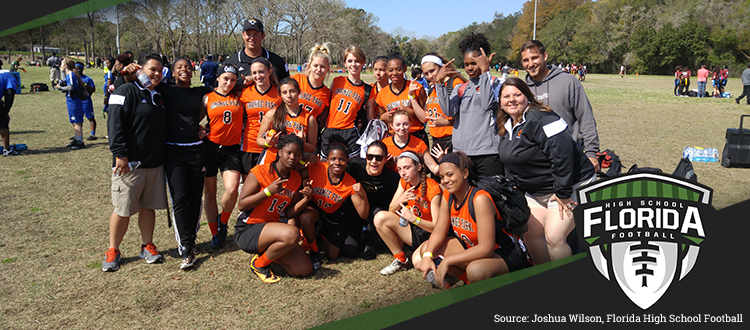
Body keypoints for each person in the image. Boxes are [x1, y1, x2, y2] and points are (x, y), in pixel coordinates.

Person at [496, 77, 596, 264]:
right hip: (537, 193)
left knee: (554, 237)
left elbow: (563, 154)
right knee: (529, 231)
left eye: (517, 95)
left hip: (571, 187)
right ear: (500, 102)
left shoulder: (542, 118)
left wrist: (563, 193)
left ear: (527, 97)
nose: (512, 99)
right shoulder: (505, 126)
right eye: (506, 96)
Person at [414, 152, 526, 288]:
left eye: (450, 174)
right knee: (428, 248)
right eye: (442, 177)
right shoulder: (448, 195)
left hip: (505, 252)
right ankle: (470, 284)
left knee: (476, 270)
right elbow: (439, 230)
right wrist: (427, 255)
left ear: (465, 173)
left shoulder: (479, 199)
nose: (445, 181)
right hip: (474, 248)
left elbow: (486, 248)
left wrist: (448, 261)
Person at [102, 52, 167, 272]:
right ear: (141, 69)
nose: (156, 74)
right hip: (130, 164)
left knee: (148, 206)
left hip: (154, 163)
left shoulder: (158, 95)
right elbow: (115, 123)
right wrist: (120, 154)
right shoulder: (125, 90)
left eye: (159, 70)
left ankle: (147, 245)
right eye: (152, 69)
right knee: (123, 208)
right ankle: (113, 249)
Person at [234, 134, 313, 283]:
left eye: (297, 155)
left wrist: (306, 199)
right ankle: (258, 264)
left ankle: (269, 254)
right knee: (292, 234)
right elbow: (242, 204)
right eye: (288, 152)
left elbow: (289, 212)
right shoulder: (260, 171)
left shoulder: (295, 178)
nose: (292, 157)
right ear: (279, 152)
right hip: (248, 229)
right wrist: (267, 191)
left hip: (272, 232)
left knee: (304, 269)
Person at [158, 58, 212, 269]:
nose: (184, 70)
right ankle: (186, 249)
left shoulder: (199, 92)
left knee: (195, 198)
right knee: (179, 199)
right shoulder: (165, 89)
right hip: (173, 152)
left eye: (188, 68)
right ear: (172, 72)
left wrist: (207, 126)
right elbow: (140, 79)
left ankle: (191, 238)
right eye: (180, 67)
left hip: (197, 151)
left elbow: (224, 92)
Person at [521, 40, 601, 172]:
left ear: (544, 56)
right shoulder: (522, 89)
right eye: (526, 60)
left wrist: (591, 153)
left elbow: (585, 117)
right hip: (535, 163)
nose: (530, 64)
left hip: (568, 158)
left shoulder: (568, 82)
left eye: (534, 58)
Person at [435, 32, 504, 177]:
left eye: (474, 63)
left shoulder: (495, 83)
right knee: (468, 197)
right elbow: (448, 111)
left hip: (488, 152)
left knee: (490, 195)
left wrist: (485, 72)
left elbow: (486, 103)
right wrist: (439, 83)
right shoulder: (461, 88)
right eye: (466, 64)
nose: (470, 68)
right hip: (463, 153)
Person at [297, 143, 369, 268]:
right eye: (333, 159)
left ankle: (319, 235)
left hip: (333, 216)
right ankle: (314, 250)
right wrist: (304, 163)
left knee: (332, 256)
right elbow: (295, 176)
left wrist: (363, 194)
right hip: (316, 210)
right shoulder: (317, 167)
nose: (337, 162)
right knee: (306, 217)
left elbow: (363, 215)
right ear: (327, 160)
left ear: (347, 160)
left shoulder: (350, 182)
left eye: (341, 159)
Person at [374, 151, 441, 275]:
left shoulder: (433, 189)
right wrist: (402, 199)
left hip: (430, 236)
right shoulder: (404, 181)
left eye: (407, 168)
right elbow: (391, 209)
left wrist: (415, 219)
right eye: (399, 169)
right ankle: (400, 259)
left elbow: (438, 228)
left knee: (418, 262)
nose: (403, 173)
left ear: (419, 167)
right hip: (414, 229)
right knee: (380, 218)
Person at [202, 64, 245, 250]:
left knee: (232, 188)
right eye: (225, 78)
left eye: (233, 80)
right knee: (210, 194)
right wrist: (199, 130)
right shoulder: (207, 98)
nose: (229, 83)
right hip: (210, 148)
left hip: (231, 150)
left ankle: (223, 221)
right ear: (218, 78)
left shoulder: (239, 97)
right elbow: (196, 121)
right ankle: (214, 233)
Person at [346, 140, 400, 260]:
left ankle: (370, 243)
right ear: (365, 157)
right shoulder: (354, 166)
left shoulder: (392, 178)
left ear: (386, 159)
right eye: (370, 157)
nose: (374, 161)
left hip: (376, 214)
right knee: (350, 251)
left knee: (378, 214)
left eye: (379, 158)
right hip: (355, 210)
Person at [320, 46, 376, 158]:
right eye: (350, 61)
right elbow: (326, 105)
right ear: (345, 63)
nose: (353, 64)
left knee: (352, 168)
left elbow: (370, 118)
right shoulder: (337, 81)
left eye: (357, 61)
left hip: (350, 133)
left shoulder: (368, 89)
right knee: (325, 167)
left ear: (363, 63)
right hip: (330, 130)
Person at [256, 77, 318, 165]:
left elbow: (312, 147)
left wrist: (303, 143)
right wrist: (267, 143)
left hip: (293, 163)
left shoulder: (309, 118)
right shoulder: (272, 114)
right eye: (284, 92)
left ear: (299, 92)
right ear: (280, 95)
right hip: (270, 161)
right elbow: (259, 139)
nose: (289, 95)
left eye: (292, 91)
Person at [238, 58, 282, 171]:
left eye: (261, 72)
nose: (258, 76)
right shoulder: (246, 92)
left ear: (270, 72)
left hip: (271, 146)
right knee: (247, 185)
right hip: (249, 145)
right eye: (254, 73)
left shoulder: (279, 93)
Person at [376, 53, 428, 145]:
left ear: (404, 68)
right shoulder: (382, 94)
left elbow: (425, 117)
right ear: (387, 71)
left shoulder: (416, 88)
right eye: (391, 70)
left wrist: (409, 111)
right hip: (395, 138)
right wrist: (382, 118)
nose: (394, 73)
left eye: (398, 69)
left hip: (416, 136)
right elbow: (383, 120)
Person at [417, 52, 466, 153]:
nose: (430, 76)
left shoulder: (455, 83)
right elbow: (424, 117)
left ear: (442, 67)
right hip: (436, 141)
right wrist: (412, 97)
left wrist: (447, 123)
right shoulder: (433, 88)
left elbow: (467, 116)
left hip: (452, 139)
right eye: (426, 73)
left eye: (432, 71)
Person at [225, 18, 289, 90]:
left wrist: (264, 78)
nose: (252, 38)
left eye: (256, 34)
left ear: (263, 36)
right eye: (248, 34)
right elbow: (222, 91)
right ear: (243, 35)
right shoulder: (230, 63)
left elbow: (287, 89)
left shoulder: (278, 62)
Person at [382, 110, 442, 176]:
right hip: (391, 182)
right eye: (398, 125)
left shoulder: (419, 143)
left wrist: (442, 160)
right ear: (391, 125)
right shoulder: (384, 144)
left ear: (411, 124)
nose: (402, 128)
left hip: (413, 182)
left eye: (405, 124)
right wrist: (382, 163)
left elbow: (434, 169)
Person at [291, 44, 332, 123]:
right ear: (309, 66)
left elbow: (322, 121)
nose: (319, 69)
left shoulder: (327, 94)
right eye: (315, 65)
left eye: (322, 67)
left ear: (327, 69)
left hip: (308, 132)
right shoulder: (296, 79)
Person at [56, 58, 87, 150]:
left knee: (76, 121)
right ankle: (76, 138)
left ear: (66, 66)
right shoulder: (68, 75)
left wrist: (60, 87)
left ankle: (80, 141)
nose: (60, 65)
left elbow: (71, 87)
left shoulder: (71, 75)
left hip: (74, 100)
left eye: (62, 64)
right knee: (74, 121)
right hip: (70, 100)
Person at [75, 62, 99, 140]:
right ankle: (78, 133)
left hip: (85, 100)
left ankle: (93, 134)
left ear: (82, 69)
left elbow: (93, 89)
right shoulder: (73, 78)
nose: (77, 70)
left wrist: (85, 85)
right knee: (78, 118)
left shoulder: (87, 79)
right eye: (76, 68)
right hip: (77, 100)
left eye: (79, 68)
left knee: (90, 117)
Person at [1, 72, 18, 156]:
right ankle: (7, 149)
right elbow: (9, 94)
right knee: (3, 122)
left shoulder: (2, 76)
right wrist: (6, 111)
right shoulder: (12, 78)